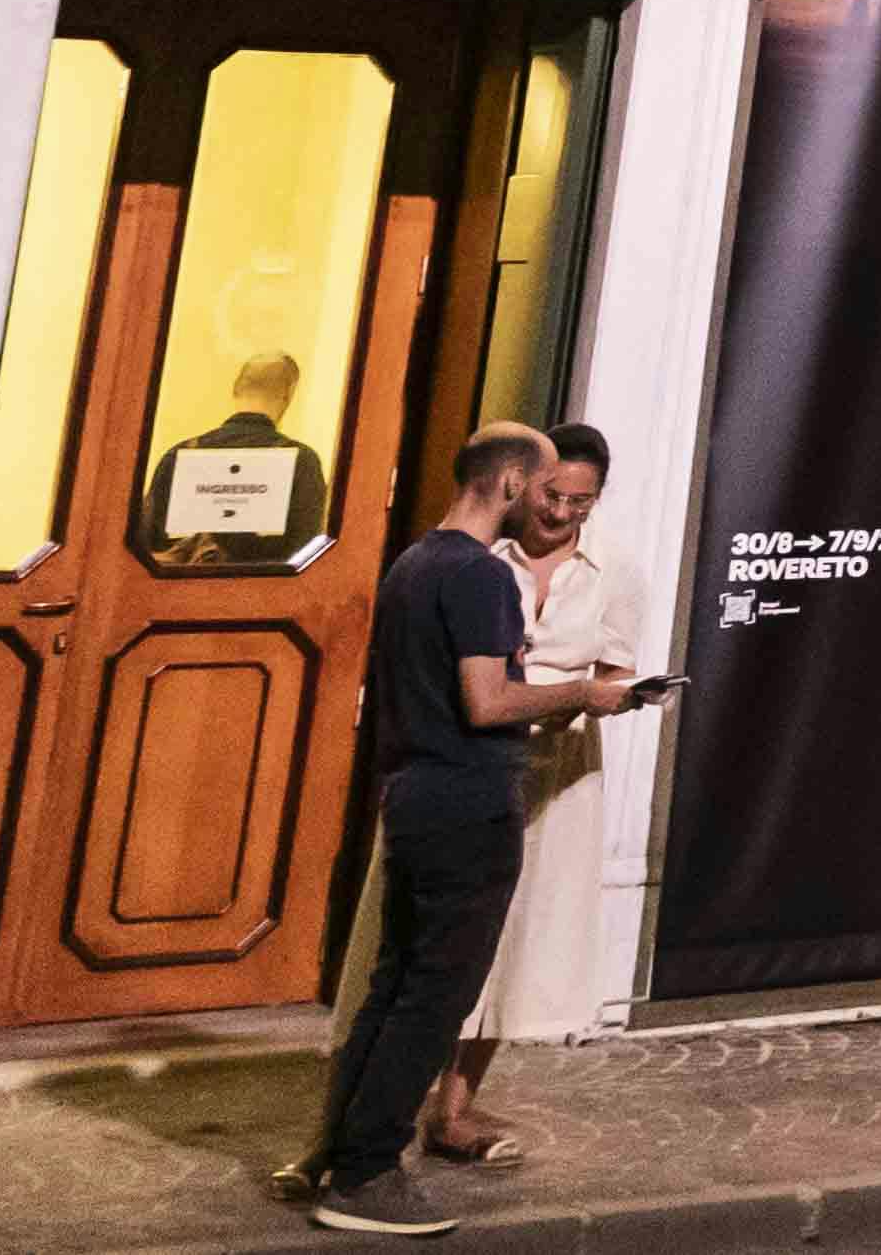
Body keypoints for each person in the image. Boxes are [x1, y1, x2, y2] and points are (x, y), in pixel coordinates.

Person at [301, 426, 630, 1236]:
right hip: (468, 805)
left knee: (392, 986)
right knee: (432, 1000)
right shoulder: (483, 577)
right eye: (544, 486)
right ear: (512, 482)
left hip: (412, 797)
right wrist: (581, 694)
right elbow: (487, 700)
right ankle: (368, 1174)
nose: (551, 504)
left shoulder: (414, 563)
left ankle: (335, 1154)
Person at [147, 347, 336, 573]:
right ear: (289, 394)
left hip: (180, 601)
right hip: (259, 603)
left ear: (236, 388)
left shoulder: (178, 456)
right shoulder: (301, 463)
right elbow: (308, 555)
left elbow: (148, 542)